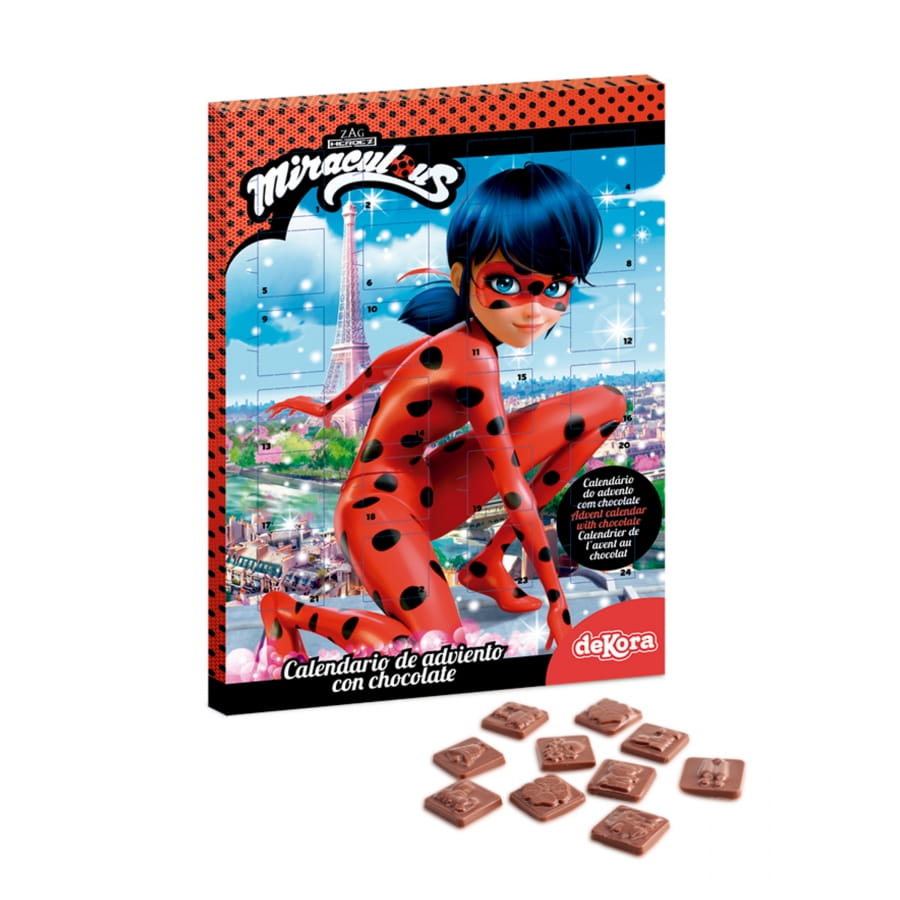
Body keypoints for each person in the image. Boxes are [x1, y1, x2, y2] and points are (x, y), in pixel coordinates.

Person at [260, 163, 626, 659]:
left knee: (608, 404)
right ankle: (286, 609)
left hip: (429, 482)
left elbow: (391, 362)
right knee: (432, 645)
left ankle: (487, 564)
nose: (533, 308)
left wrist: (330, 405)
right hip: (375, 508)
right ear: (462, 277)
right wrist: (557, 607)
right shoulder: (473, 356)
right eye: (506, 283)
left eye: (555, 287)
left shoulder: (460, 339)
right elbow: (513, 490)